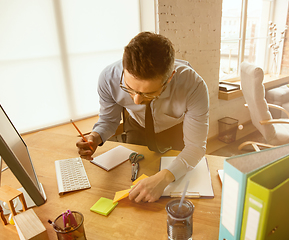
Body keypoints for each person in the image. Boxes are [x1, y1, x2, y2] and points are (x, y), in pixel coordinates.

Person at [76, 31, 209, 203]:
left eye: (150, 93)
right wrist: (96, 136)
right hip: (136, 125)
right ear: (124, 69)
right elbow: (108, 121)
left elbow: (195, 148)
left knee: (174, 187)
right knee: (131, 184)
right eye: (129, 89)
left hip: (175, 129)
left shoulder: (194, 86)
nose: (137, 100)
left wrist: (164, 178)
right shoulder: (108, 78)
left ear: (170, 78)